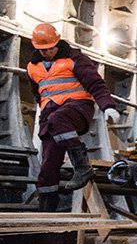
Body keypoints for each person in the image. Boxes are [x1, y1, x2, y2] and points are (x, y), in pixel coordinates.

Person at [27, 23, 120, 211]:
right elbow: (39, 95)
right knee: (48, 164)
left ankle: (82, 167)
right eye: (42, 50)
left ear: (57, 42)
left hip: (78, 108)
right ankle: (47, 207)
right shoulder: (32, 68)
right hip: (51, 117)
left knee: (58, 120)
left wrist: (107, 106)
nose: (46, 52)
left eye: (49, 48)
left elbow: (95, 84)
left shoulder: (74, 58)